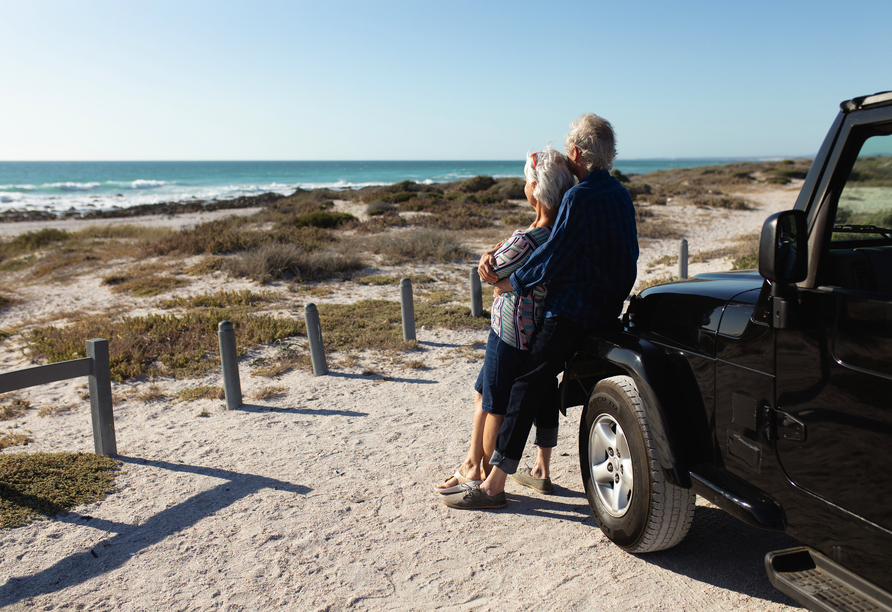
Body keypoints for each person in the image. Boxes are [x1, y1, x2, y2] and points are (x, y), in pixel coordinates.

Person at [443, 113, 639, 509]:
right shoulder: (619, 193)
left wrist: (508, 284)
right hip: (608, 308)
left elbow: (552, 256)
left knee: (527, 383)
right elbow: (629, 254)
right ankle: (538, 468)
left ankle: (493, 484)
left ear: (575, 153)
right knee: (541, 379)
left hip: (572, 310)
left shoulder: (578, 198)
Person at [434, 146, 577, 496]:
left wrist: (488, 259)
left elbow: (494, 269)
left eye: (527, 182)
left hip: (508, 330)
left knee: (492, 402)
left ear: (536, 191)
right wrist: (492, 257)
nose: (524, 186)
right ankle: (473, 464)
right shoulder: (556, 235)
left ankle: (481, 474)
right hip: (531, 330)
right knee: (486, 395)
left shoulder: (527, 240)